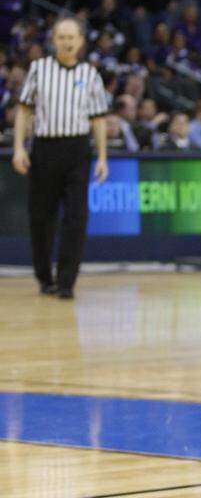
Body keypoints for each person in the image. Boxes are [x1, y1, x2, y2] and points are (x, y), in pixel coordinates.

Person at [12, 17, 110, 300]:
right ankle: (45, 277)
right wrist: (19, 147)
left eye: (72, 37)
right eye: (61, 37)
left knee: (76, 218)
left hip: (77, 150)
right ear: (53, 41)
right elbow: (24, 110)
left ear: (81, 41)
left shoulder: (91, 75)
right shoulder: (39, 69)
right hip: (44, 148)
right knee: (41, 217)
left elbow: (99, 119)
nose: (67, 42)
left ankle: (67, 281)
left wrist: (102, 156)